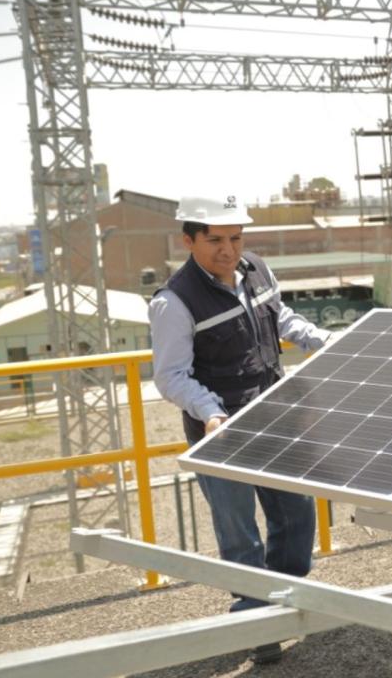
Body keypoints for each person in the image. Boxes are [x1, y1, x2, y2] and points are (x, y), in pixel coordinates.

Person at [149, 195, 332, 664]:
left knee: (296, 517)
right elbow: (171, 376)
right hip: (222, 430)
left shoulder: (258, 270)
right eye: (214, 240)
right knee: (240, 534)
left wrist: (322, 340)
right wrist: (209, 411)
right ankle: (255, 619)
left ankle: (283, 597)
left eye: (235, 238)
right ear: (187, 240)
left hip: (276, 415)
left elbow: (281, 319)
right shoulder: (174, 302)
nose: (228, 250)